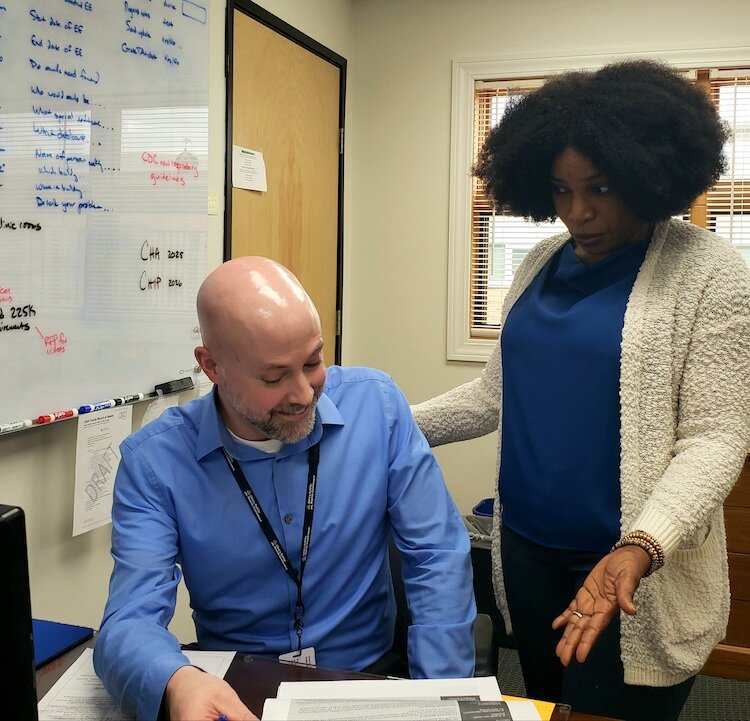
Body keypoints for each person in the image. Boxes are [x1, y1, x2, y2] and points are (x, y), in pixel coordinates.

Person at [412, 59, 750, 721]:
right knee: (546, 708)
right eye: (561, 190)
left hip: (630, 576)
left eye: (598, 187)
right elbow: (490, 397)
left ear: (647, 174)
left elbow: (717, 436)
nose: (578, 211)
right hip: (530, 557)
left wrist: (641, 544)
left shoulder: (709, 271)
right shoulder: (539, 264)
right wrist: (375, 418)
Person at [93, 256, 476, 721]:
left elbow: (436, 553)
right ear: (211, 366)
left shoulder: (378, 408)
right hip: (236, 690)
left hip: (367, 676)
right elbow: (128, 621)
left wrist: (441, 697)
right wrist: (177, 681)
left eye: (313, 362)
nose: (303, 393)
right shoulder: (154, 462)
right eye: (273, 378)